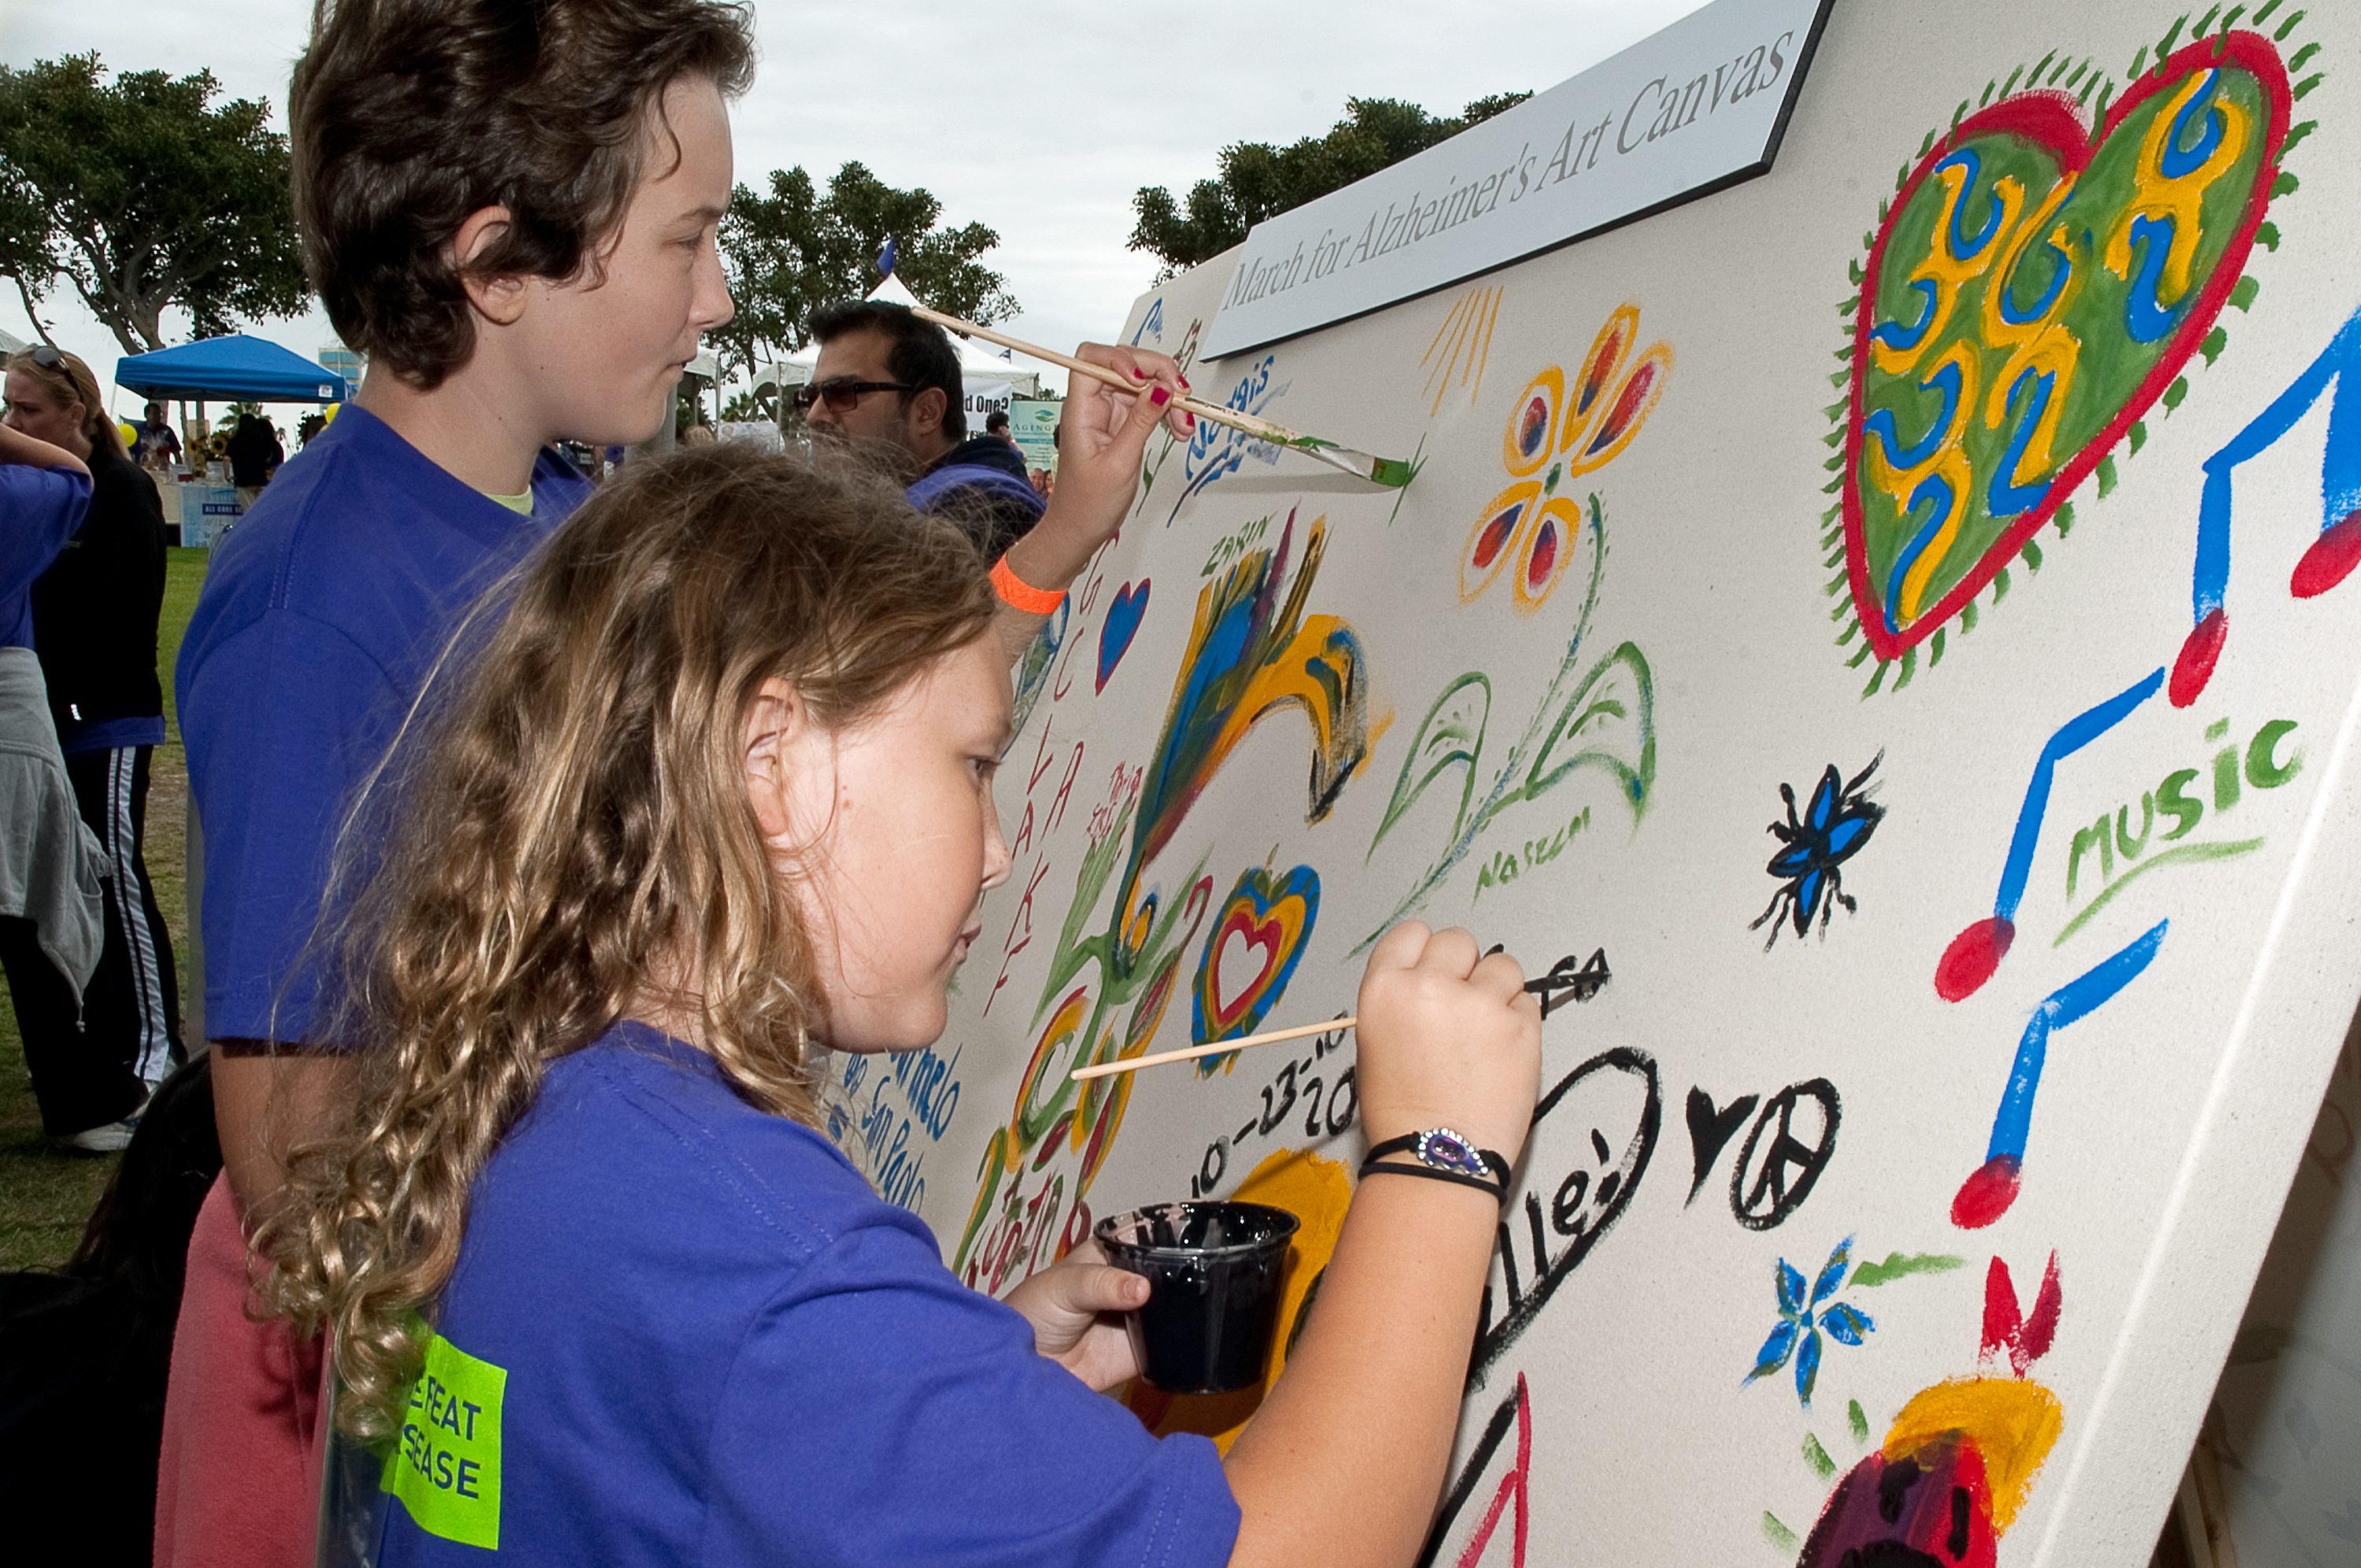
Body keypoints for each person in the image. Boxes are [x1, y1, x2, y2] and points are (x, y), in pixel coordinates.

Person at [164, 0, 1185, 1559]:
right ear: (498, 260)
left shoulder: (570, 521)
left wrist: (1058, 536)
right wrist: (777, 1346)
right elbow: (304, 1171)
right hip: (406, 1426)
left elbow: (844, 717)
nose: (718, 296)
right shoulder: (324, 600)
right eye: (685, 238)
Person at [257, 443, 1546, 1567]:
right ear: (771, 762)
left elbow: (692, 1449)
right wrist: (1438, 1151)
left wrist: (975, 1374)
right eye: (972, 764)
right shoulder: (760, 1254)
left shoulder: (551, 1098)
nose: (997, 848)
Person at [0, 345, 180, 1152]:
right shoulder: (44, 489)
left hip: (107, 718)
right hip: (57, 712)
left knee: (121, 879)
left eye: (27, 410)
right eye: (8, 409)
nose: (13, 423)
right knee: (80, 884)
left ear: (76, 410)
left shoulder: (121, 488)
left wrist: (71, 690)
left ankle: (153, 1050)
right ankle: (105, 1041)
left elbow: (127, 614)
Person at [803, 300, 1090, 560]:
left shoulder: (982, 518)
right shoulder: (912, 512)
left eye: (841, 392)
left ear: (927, 412)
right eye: (807, 396)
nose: (814, 415)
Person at [226, 412, 284, 511]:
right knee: (262, 511)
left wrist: (227, 475)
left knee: (249, 512)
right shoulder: (264, 442)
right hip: (263, 481)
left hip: (244, 481)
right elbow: (271, 460)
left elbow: (226, 459)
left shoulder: (236, 441)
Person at [131, 402, 183, 472]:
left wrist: (179, 470)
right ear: (146, 415)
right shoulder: (137, 430)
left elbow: (176, 452)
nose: (158, 417)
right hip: (142, 470)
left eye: (159, 414)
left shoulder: (166, 431)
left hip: (163, 470)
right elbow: (129, 452)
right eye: (154, 414)